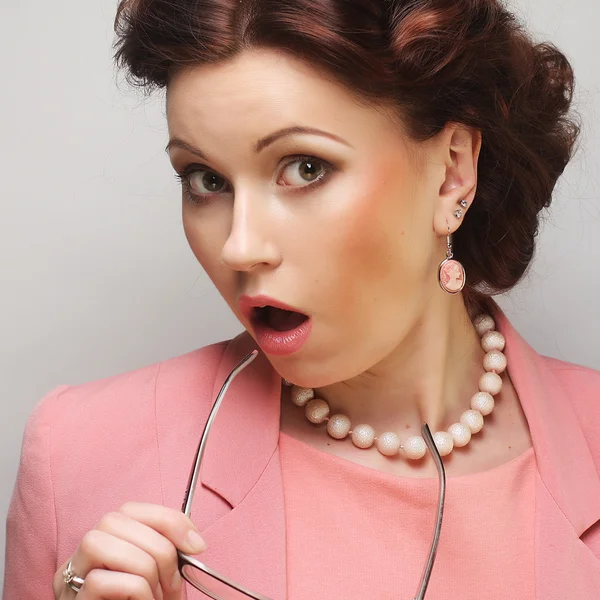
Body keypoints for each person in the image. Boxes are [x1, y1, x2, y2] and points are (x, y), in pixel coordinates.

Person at [4, 0, 600, 598]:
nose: (240, 247)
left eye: (305, 167)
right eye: (205, 179)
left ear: (451, 173)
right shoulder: (78, 454)